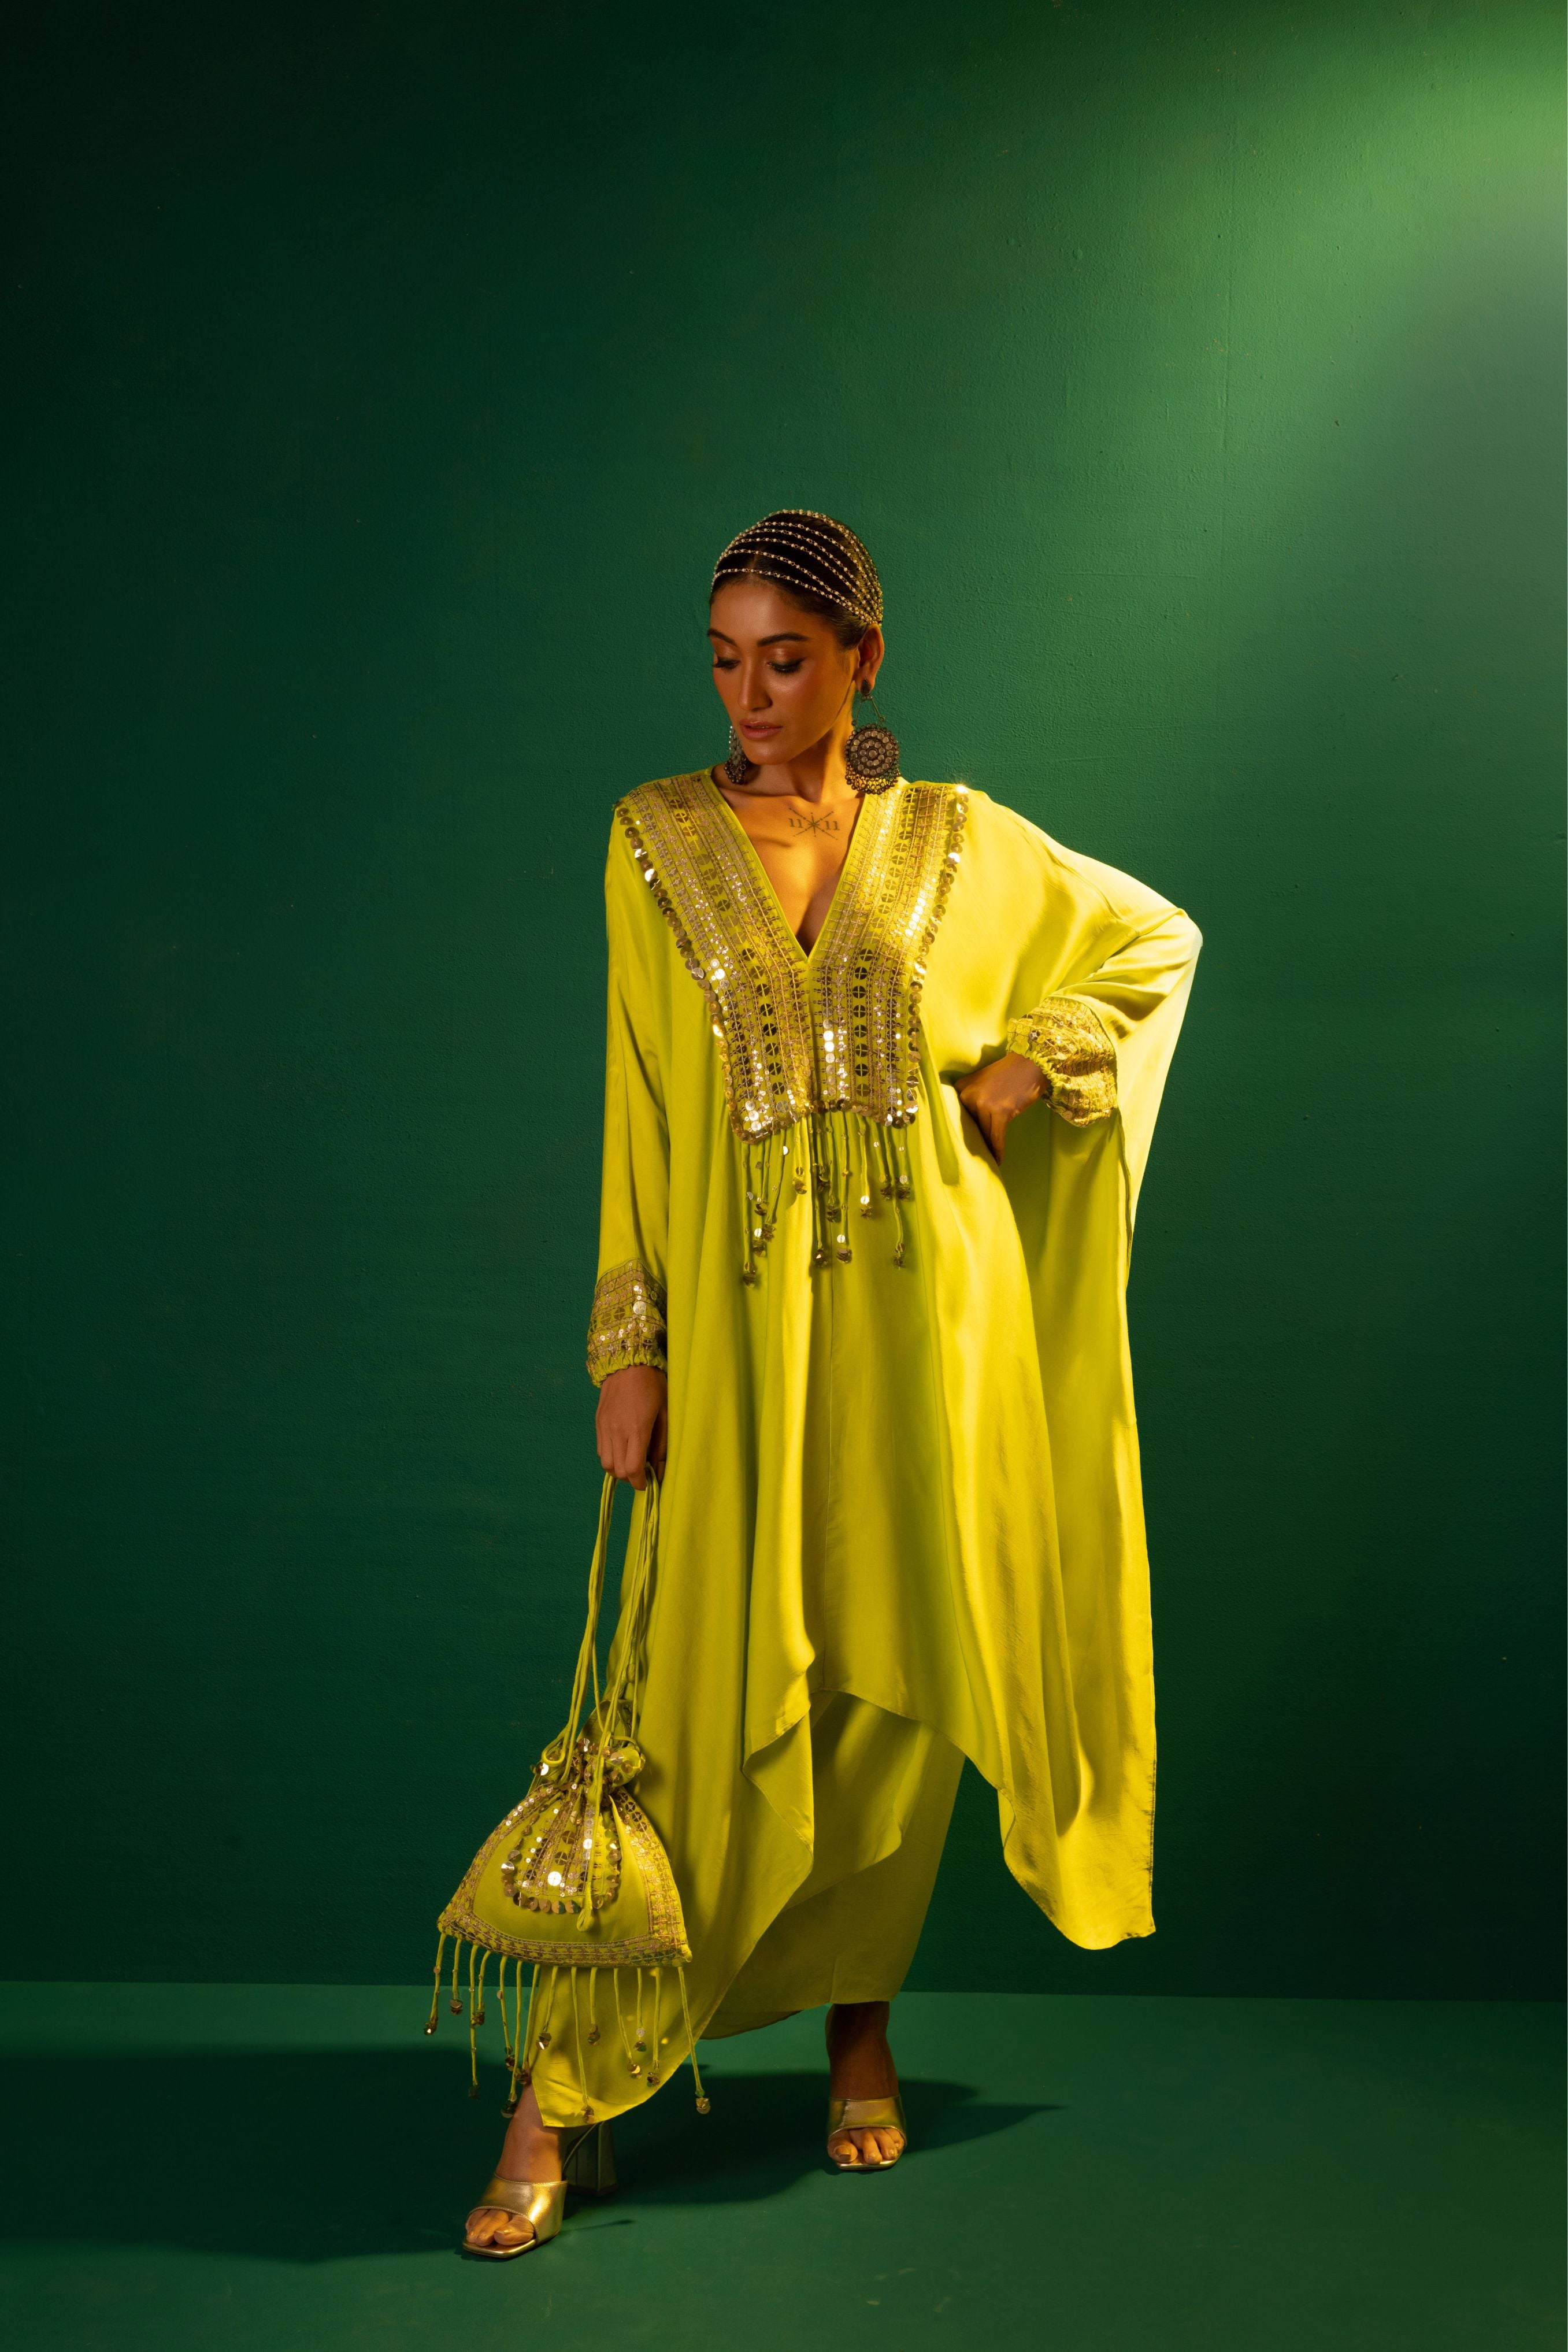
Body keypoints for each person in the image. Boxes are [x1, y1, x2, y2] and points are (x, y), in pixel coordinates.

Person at [464, 510, 1199, 2255]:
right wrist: (629, 1347)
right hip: (733, 1328)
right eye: (725, 661)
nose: (750, 696)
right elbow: (640, 1110)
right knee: (692, 1693)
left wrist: (1030, 1067)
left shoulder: (958, 839)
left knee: (893, 1691)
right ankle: (564, 2082)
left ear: (864, 659)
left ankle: (861, 2025)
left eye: (785, 660)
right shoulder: (654, 841)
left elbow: (1151, 940)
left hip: (930, 1313)